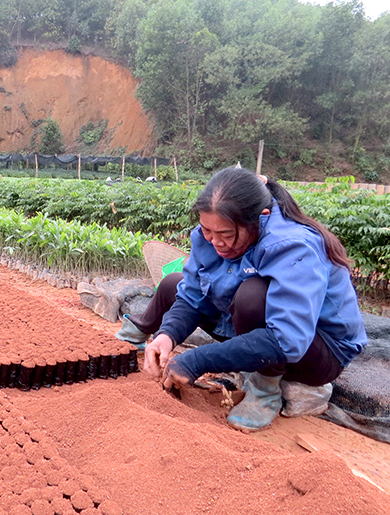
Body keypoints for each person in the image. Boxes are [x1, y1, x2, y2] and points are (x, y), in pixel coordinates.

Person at [117, 167, 367, 431]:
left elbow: (289, 339)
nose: (216, 242)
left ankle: (265, 392)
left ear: (260, 219)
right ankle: (247, 367)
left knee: (253, 295)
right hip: (261, 332)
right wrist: (166, 335)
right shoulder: (209, 236)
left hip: (318, 352)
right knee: (175, 282)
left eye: (226, 234)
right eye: (207, 230)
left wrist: (198, 360)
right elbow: (193, 297)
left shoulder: (292, 246)